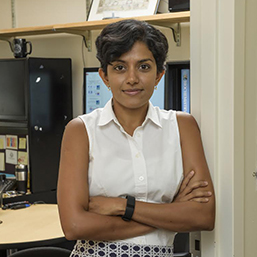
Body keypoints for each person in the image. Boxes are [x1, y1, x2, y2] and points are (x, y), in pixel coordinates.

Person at [57, 19, 215, 257]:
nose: (132, 78)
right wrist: (171, 213)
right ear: (105, 76)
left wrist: (122, 206)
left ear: (159, 74)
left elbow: (203, 216)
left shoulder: (183, 126)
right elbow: (75, 226)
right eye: (120, 67)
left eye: (143, 67)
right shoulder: (80, 130)